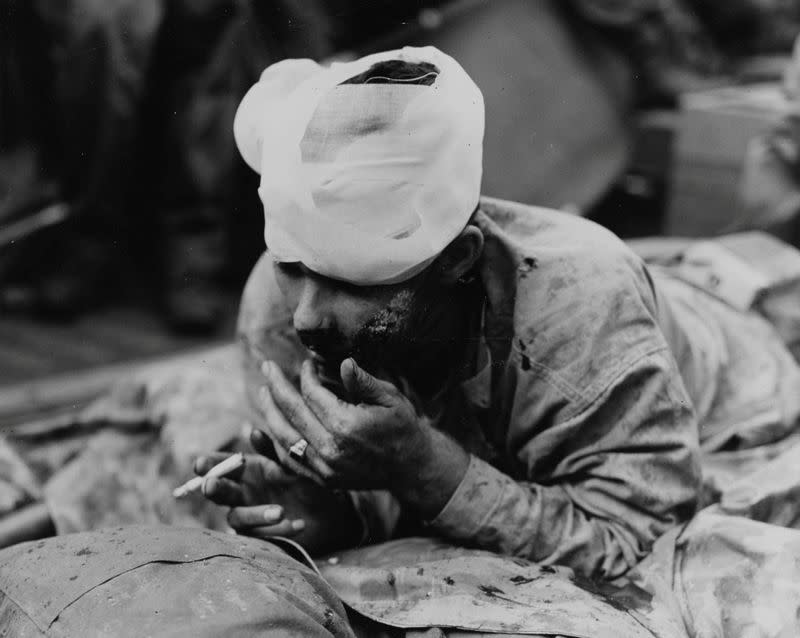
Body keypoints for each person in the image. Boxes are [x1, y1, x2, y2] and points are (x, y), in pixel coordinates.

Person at [187, 45, 800, 630]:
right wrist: (334, 515)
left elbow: (635, 539)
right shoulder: (272, 302)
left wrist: (425, 466)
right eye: (295, 267)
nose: (306, 318)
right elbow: (350, 491)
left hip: (728, 388)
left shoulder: (583, 317)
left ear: (459, 260)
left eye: (352, 281)